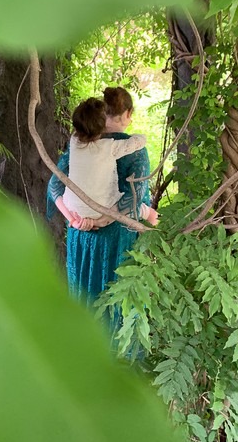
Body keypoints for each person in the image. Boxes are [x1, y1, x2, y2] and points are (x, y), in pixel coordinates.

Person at [47, 86, 159, 306]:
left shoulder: (80, 143)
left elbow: (54, 187)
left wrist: (75, 220)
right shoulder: (132, 149)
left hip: (81, 233)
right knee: (117, 304)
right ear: (128, 114)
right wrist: (101, 220)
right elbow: (134, 200)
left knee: (82, 299)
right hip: (118, 239)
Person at [55, 96, 154, 228]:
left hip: (73, 209)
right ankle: (160, 228)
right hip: (102, 210)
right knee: (145, 211)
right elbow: (138, 142)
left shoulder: (74, 143)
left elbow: (54, 185)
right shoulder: (109, 147)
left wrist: (74, 221)